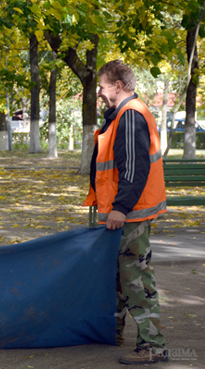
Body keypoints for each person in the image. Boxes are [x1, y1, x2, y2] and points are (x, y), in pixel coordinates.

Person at [84, 60, 168, 365]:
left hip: (130, 214)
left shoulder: (130, 116)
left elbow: (134, 168)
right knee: (120, 276)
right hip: (128, 213)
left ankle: (152, 346)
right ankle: (114, 331)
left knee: (136, 279)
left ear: (118, 86)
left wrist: (119, 208)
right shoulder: (124, 114)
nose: (101, 93)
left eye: (103, 87)